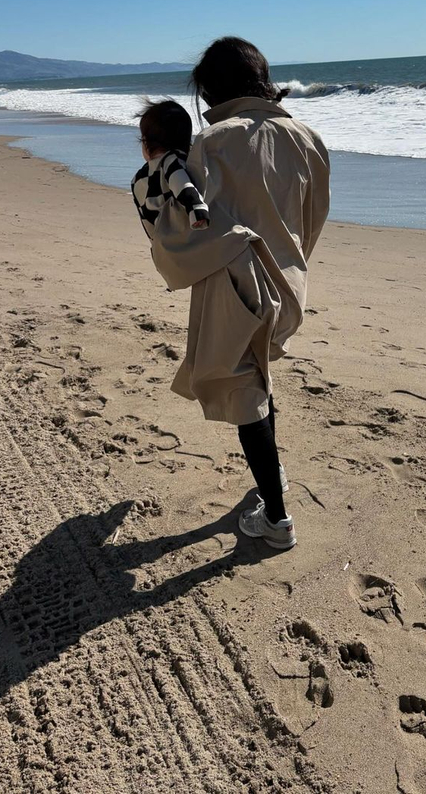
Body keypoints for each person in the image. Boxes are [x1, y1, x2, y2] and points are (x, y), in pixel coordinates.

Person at [135, 37, 330, 550]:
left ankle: (278, 520)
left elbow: (187, 226)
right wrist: (292, 263)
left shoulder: (214, 141)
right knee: (260, 378)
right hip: (291, 280)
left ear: (212, 89)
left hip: (237, 281)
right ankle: (276, 478)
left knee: (244, 393)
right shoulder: (307, 137)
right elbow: (313, 219)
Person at [131, 100, 210, 236]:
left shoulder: (139, 177)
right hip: (184, 237)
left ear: (146, 142)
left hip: (161, 246)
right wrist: (196, 207)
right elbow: (181, 182)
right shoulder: (172, 160)